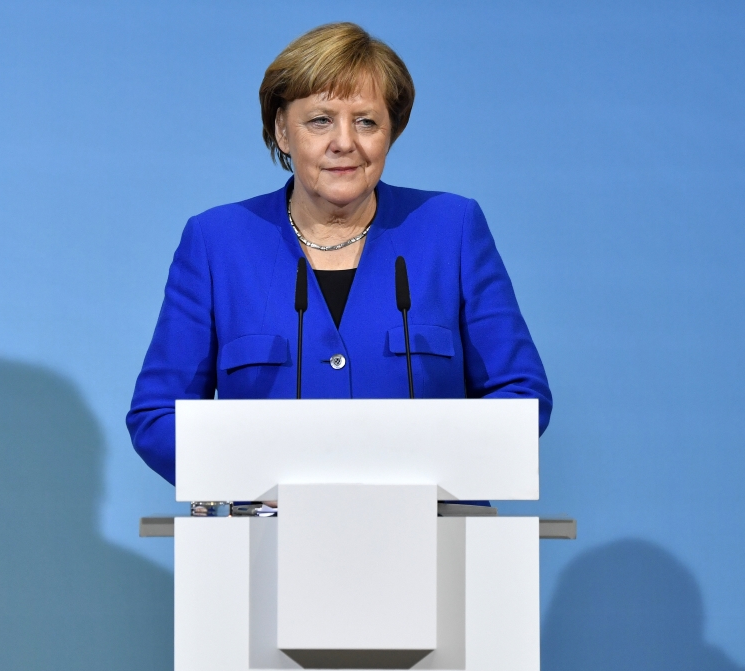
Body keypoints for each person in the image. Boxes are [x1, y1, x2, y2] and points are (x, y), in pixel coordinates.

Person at [127, 22, 552, 486]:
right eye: (321, 120)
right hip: (267, 540)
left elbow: (520, 397)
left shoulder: (451, 229)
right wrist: (257, 482)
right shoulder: (217, 242)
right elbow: (157, 417)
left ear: (390, 133)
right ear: (283, 133)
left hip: (431, 536)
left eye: (366, 121)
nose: (344, 142)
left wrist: (429, 477)